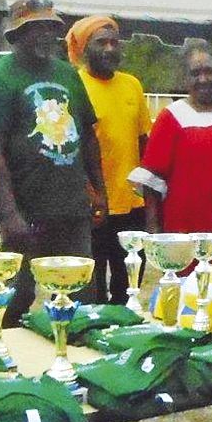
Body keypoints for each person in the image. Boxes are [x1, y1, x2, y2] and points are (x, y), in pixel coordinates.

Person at [0, 0, 108, 324]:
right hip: (25, 209)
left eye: (51, 27)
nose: (46, 34)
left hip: (71, 207)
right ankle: (2, 354)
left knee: (82, 294)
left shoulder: (67, 74)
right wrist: (9, 212)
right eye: (36, 28)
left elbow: (87, 136)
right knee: (15, 295)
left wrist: (99, 190)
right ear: (16, 35)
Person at [130, 40, 212, 262]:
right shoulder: (171, 118)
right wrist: (154, 233)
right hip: (187, 233)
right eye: (195, 73)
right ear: (185, 78)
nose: (203, 79)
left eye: (209, 71)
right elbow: (152, 182)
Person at [66, 16, 151, 304]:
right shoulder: (73, 84)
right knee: (92, 290)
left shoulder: (132, 85)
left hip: (132, 204)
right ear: (83, 47)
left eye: (115, 42)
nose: (110, 49)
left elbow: (143, 140)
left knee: (129, 288)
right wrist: (89, 191)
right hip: (92, 204)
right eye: (101, 42)